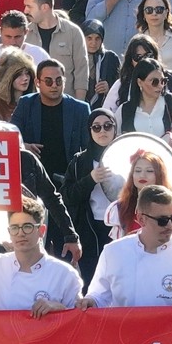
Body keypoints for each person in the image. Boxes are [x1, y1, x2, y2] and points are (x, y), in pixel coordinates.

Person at [79, 185, 172, 308]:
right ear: (141, 219)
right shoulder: (113, 252)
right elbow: (99, 295)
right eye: (162, 220)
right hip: (125, 333)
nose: (169, 226)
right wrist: (90, 301)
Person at [61, 108, 119, 285]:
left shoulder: (127, 155)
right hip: (90, 228)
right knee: (92, 280)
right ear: (89, 130)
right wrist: (90, 180)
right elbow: (66, 196)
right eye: (96, 127)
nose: (102, 131)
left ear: (115, 129)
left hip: (119, 226)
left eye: (108, 126)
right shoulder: (79, 162)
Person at [11, 59, 92, 180]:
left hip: (68, 178)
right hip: (34, 177)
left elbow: (89, 148)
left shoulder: (80, 109)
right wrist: (23, 146)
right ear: (38, 82)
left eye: (59, 81)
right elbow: (10, 137)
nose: (54, 85)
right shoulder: (26, 104)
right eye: (48, 81)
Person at [104, 150, 172, 241]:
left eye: (149, 171)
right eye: (137, 171)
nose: (142, 175)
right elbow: (118, 249)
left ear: (159, 175)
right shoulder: (121, 207)